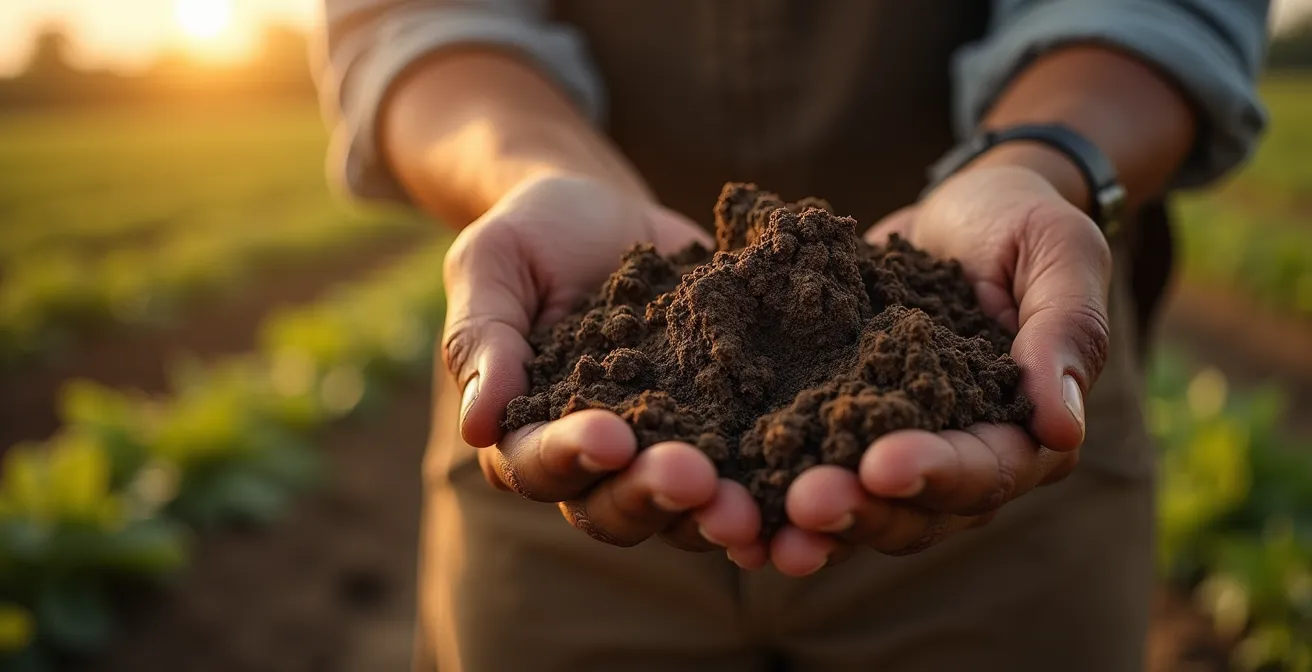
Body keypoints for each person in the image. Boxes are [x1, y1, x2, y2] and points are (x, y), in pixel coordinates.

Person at [315, 2, 1270, 670]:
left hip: (1001, 375)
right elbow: (414, 19)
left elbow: (1162, 9)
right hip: (569, 373)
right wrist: (533, 177)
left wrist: (1041, 164)